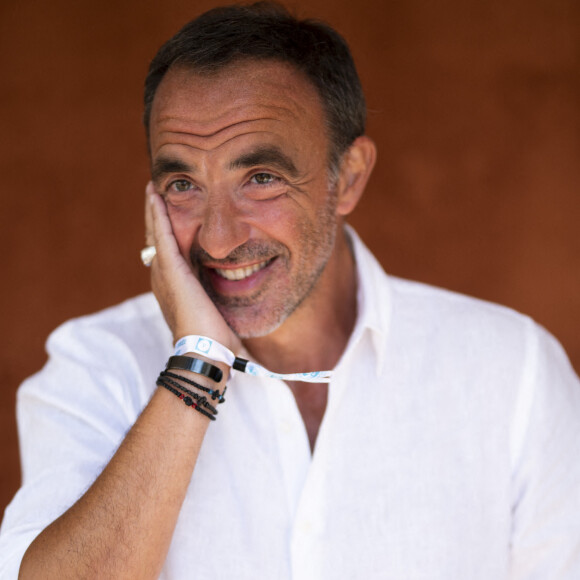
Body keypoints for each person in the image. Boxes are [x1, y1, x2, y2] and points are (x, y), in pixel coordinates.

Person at [1, 2, 579, 578]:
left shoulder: (513, 370)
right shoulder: (97, 364)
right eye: (183, 184)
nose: (220, 239)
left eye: (262, 178)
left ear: (348, 177)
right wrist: (198, 361)